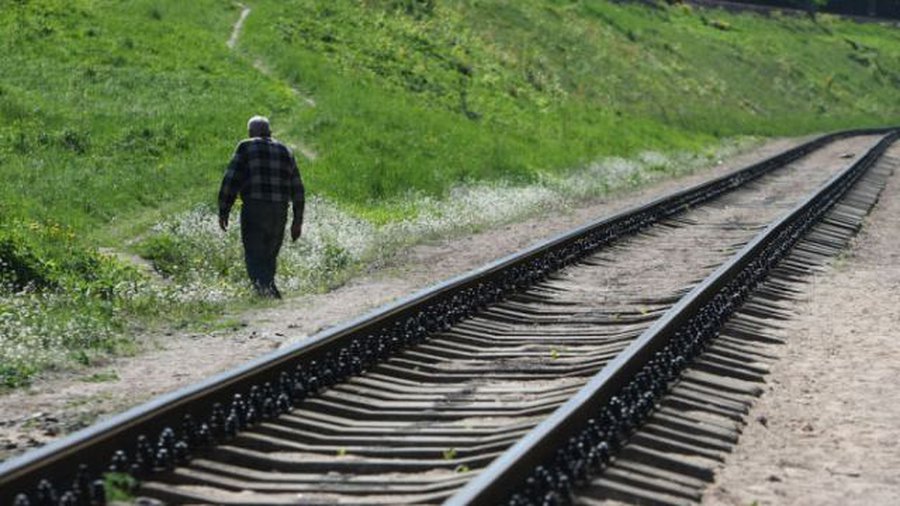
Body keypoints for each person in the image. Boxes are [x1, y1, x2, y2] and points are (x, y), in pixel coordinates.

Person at [218, 116, 304, 298]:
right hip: (280, 210)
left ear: (251, 133)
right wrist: (297, 221)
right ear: (269, 132)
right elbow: (297, 187)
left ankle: (266, 295)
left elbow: (231, 179)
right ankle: (269, 291)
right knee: (269, 255)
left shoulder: (246, 146)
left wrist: (224, 209)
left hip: (255, 207)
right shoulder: (286, 151)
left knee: (255, 254)